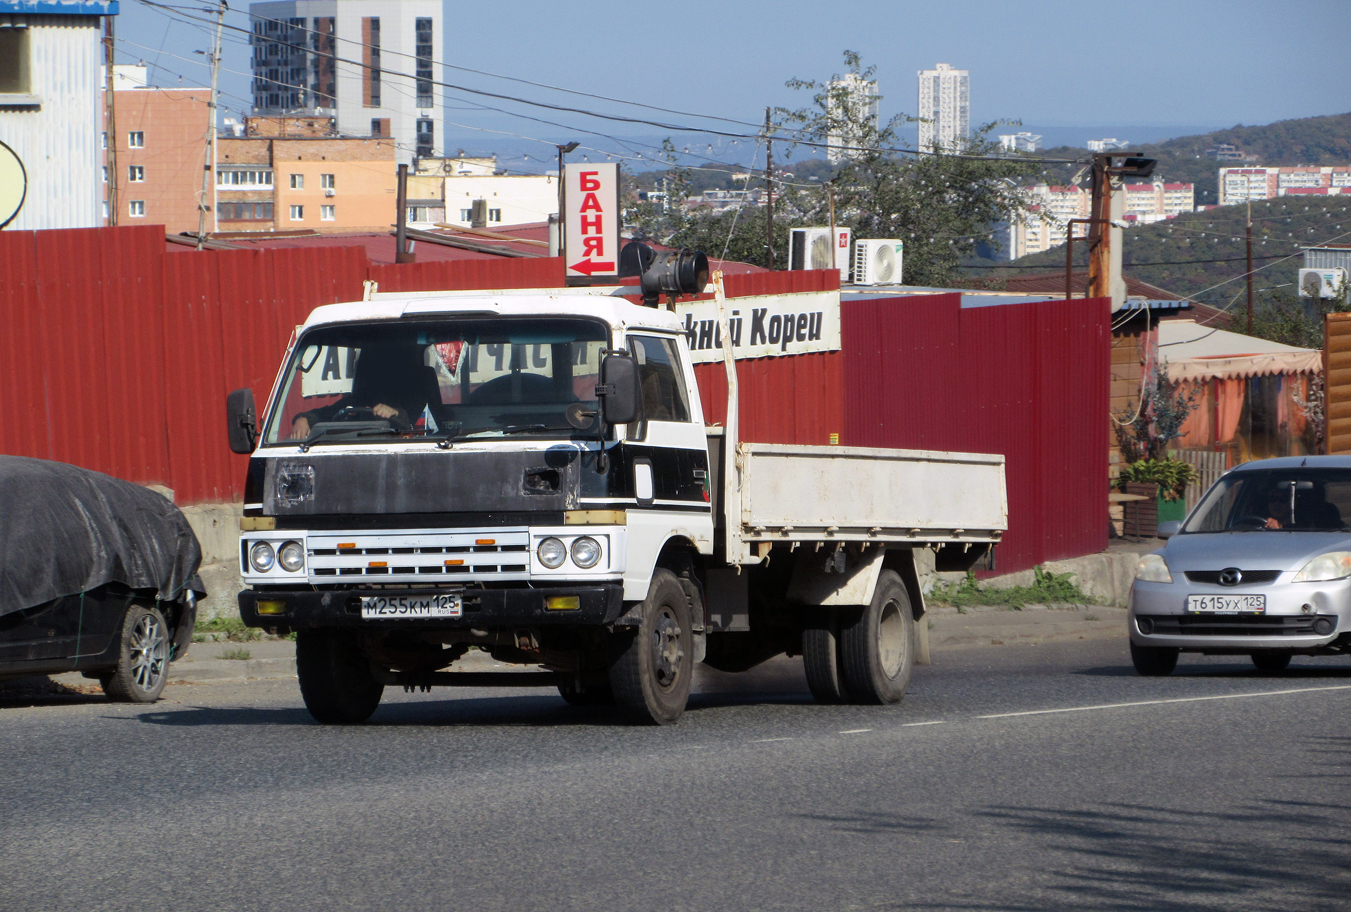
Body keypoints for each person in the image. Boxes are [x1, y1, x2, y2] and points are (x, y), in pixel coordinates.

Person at [289, 343, 437, 439]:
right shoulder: (364, 395)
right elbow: (331, 411)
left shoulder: (416, 392)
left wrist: (395, 412)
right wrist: (304, 418)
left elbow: (414, 422)